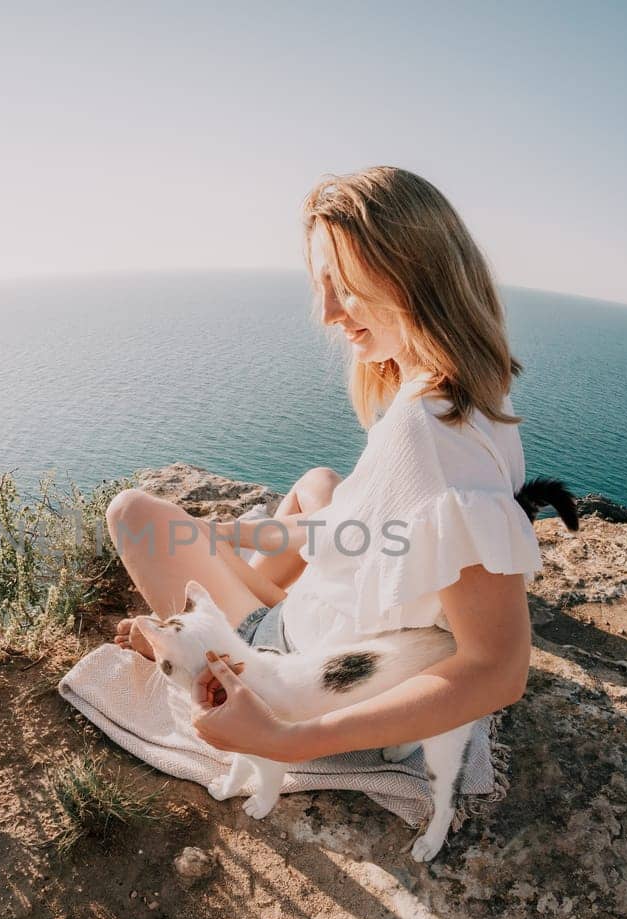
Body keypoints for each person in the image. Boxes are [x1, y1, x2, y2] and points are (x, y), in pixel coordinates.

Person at [105, 165, 540, 763]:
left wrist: (289, 740)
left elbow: (499, 669)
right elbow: (382, 529)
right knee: (318, 484)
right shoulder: (475, 394)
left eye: (347, 284)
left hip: (293, 664)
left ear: (417, 276)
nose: (329, 311)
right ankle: (231, 584)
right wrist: (225, 535)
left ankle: (202, 632)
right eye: (321, 283)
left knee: (134, 514)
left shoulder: (429, 436)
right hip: (338, 617)